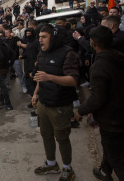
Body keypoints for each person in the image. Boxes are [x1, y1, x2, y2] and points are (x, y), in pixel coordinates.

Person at [75, 26, 124, 181]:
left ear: (93, 43)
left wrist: (80, 111)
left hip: (112, 120)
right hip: (120, 114)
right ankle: (104, 171)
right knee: (110, 148)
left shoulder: (99, 66)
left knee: (118, 159)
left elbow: (97, 98)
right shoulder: (118, 56)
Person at [32, 25, 79, 181]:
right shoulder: (41, 53)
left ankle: (67, 169)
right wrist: (35, 93)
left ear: (54, 37)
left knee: (62, 138)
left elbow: (73, 80)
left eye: (44, 36)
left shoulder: (68, 53)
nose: (40, 39)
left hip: (60, 105)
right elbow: (41, 76)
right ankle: (52, 164)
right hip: (43, 103)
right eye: (39, 36)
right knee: (46, 135)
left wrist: (50, 77)